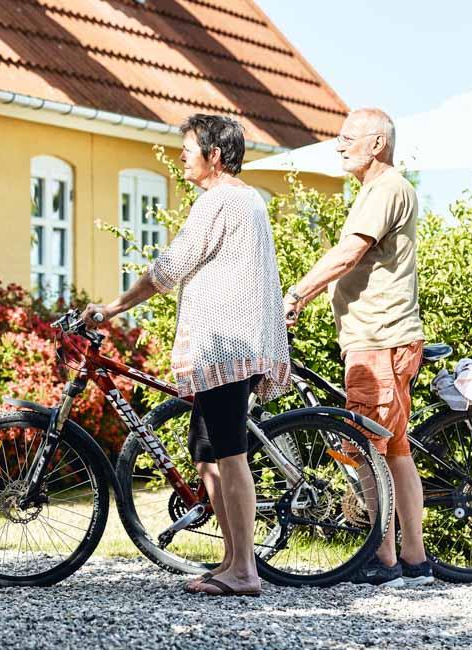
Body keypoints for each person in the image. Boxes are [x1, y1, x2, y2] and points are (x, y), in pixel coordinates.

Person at [82, 114, 289, 597]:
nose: (181, 157)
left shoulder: (218, 201)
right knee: (209, 454)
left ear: (214, 155)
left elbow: (169, 269)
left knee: (230, 456)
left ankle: (245, 572)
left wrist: (111, 309)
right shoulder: (246, 200)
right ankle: (232, 560)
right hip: (232, 345)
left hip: (224, 347)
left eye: (188, 149)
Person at [281, 107, 433, 587]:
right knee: (394, 450)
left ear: (377, 144)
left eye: (349, 138)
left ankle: (383, 558)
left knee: (365, 447)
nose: (339, 145)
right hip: (384, 338)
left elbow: (349, 253)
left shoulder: (386, 189)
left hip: (378, 341)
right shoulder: (379, 190)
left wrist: (296, 293)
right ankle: (413, 558)